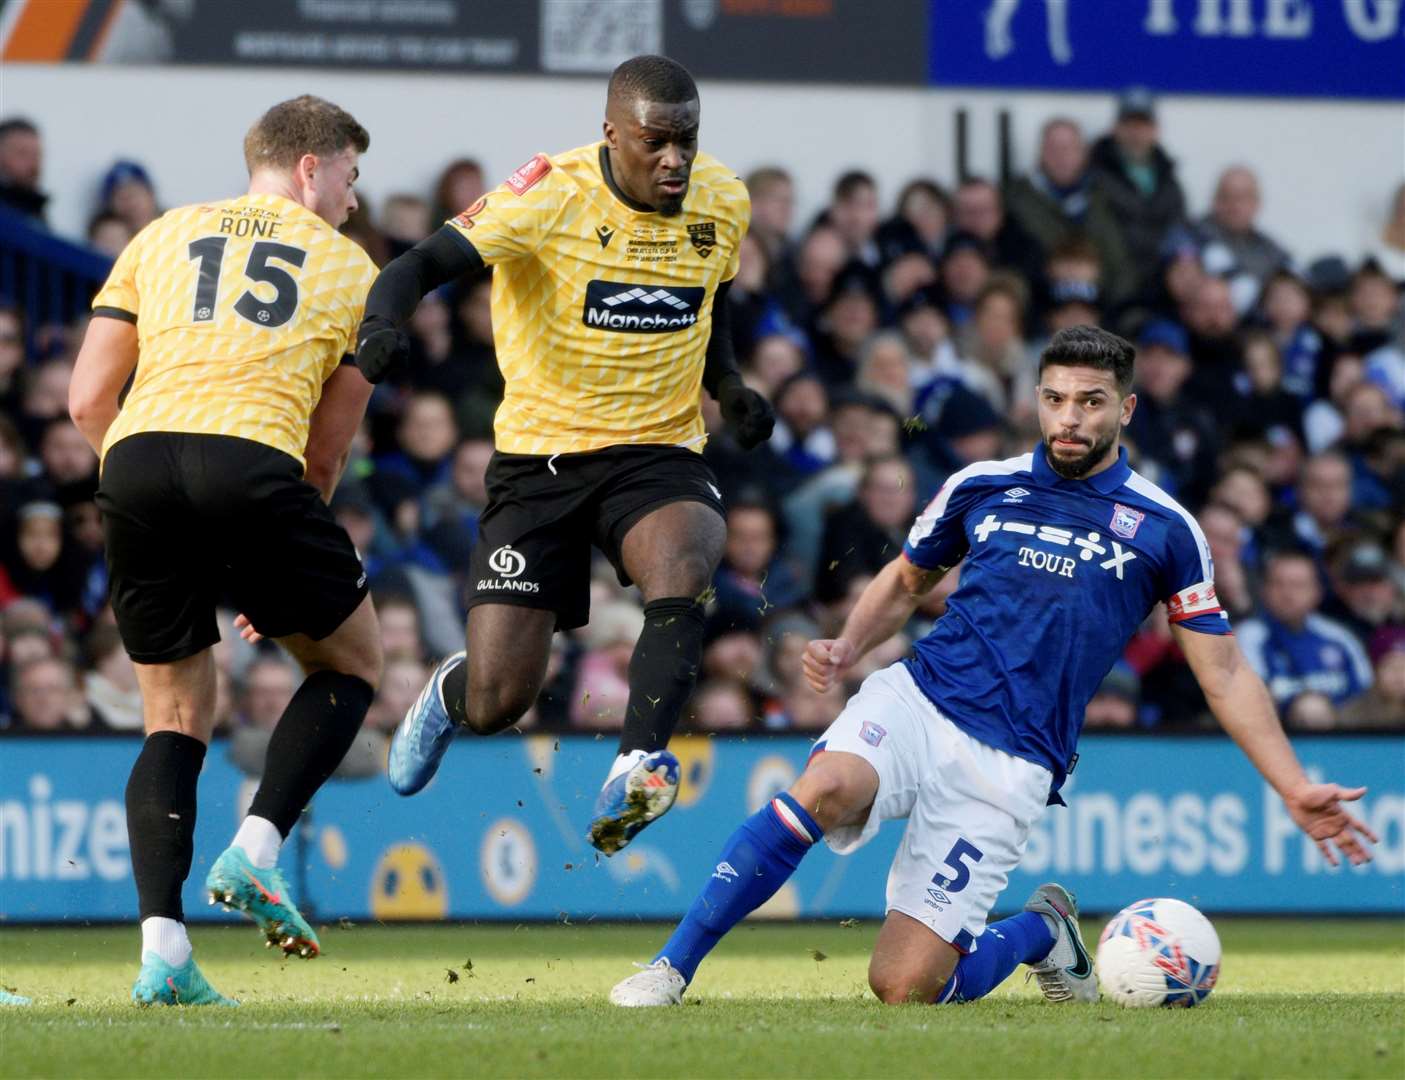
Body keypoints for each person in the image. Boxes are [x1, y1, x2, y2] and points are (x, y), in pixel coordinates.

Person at [609, 325, 1376, 1009]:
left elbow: (1225, 673)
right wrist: (849, 645)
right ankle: (669, 970)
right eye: (1054, 399)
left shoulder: (1165, 529)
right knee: (824, 787)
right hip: (918, 698)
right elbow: (907, 578)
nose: (1069, 418)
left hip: (1011, 762)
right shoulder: (981, 484)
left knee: (906, 987)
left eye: (1089, 402)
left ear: (1127, 411)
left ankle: (1041, 931)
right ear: (1035, 400)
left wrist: (1291, 783)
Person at [353, 56, 773, 855]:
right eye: (655, 142)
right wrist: (381, 324)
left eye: (686, 140)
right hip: (542, 459)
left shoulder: (723, 198)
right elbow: (417, 265)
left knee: (688, 553)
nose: (674, 160)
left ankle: (637, 762)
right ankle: (449, 693)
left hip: (657, 447)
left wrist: (727, 383)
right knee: (500, 699)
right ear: (611, 133)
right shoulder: (547, 196)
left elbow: (710, 297)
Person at [67, 96, 383, 1007]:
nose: (354, 202)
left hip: (133, 465)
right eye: (351, 178)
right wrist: (262, 555)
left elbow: (90, 400)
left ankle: (162, 951)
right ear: (312, 169)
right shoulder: (349, 268)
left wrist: (148, 494)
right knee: (352, 665)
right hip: (252, 465)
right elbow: (324, 453)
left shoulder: (161, 234)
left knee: (170, 717)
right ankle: (255, 849)